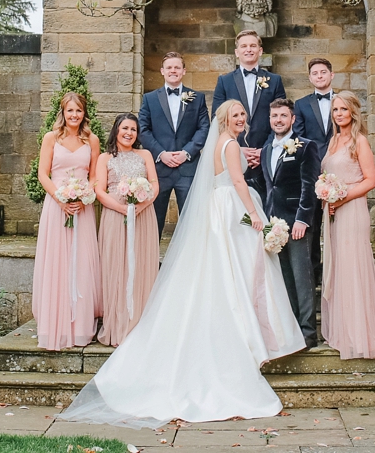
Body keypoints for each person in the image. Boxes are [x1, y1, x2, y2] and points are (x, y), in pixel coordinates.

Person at [59, 99, 304, 427]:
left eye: (243, 115)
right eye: (236, 115)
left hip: (219, 208)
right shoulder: (231, 145)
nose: (241, 119)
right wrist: (254, 216)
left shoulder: (220, 142)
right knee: (242, 272)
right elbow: (239, 181)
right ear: (225, 119)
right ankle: (249, 337)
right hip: (232, 207)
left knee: (228, 271)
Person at [319, 91, 375, 360]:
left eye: (343, 109)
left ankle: (359, 336)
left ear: (353, 112)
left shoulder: (359, 141)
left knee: (352, 269)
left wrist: (341, 196)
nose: (339, 114)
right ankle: (341, 333)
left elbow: (371, 180)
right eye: (335, 109)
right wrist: (328, 195)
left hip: (352, 210)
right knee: (338, 269)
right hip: (334, 213)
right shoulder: (333, 141)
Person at [33, 92, 102, 350]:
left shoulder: (92, 140)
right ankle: (55, 326)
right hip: (57, 206)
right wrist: (60, 199)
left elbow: (94, 175)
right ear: (63, 112)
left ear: (85, 113)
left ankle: (81, 327)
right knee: (57, 263)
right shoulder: (52, 138)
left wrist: (86, 197)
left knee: (81, 263)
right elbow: (43, 173)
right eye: (70, 111)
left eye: (79, 111)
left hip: (82, 209)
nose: (74, 115)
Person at [94, 113, 161, 346]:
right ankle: (118, 325)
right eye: (125, 128)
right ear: (116, 130)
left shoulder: (145, 155)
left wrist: (140, 206)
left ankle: (140, 324)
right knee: (115, 266)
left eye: (133, 129)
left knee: (142, 264)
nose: (129, 133)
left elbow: (154, 184)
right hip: (115, 215)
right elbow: (100, 191)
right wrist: (122, 210)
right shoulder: (104, 158)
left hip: (143, 215)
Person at [260, 98, 321, 348]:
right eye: (274, 116)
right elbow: (268, 187)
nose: (278, 120)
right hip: (274, 224)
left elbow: (310, 186)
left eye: (283, 116)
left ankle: (308, 333)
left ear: (293, 119)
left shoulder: (306, 147)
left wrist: (302, 220)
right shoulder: (266, 150)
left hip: (297, 224)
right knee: (284, 278)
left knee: (302, 277)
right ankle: (293, 330)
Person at [138, 51, 210, 237]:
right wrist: (161, 153)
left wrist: (186, 153)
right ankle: (152, 262)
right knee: (155, 218)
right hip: (159, 169)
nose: (173, 71)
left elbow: (204, 129)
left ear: (184, 71)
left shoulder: (197, 98)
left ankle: (190, 262)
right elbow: (143, 130)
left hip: (188, 168)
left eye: (177, 67)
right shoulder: (150, 99)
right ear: (162, 71)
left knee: (192, 219)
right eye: (169, 67)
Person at [212, 30, 286, 199]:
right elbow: (218, 120)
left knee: (266, 210)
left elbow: (281, 120)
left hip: (265, 157)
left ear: (260, 51)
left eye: (253, 45)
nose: (248, 49)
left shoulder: (275, 81)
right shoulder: (224, 81)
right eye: (243, 46)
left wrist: (264, 150)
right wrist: (236, 149)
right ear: (237, 52)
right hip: (233, 157)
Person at [292, 57, 335, 283]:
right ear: (310, 78)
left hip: (340, 169)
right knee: (314, 222)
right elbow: (299, 137)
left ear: (331, 75)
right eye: (315, 73)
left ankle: (337, 271)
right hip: (313, 171)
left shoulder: (343, 100)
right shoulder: (301, 105)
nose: (319, 76)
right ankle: (314, 272)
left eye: (323, 72)